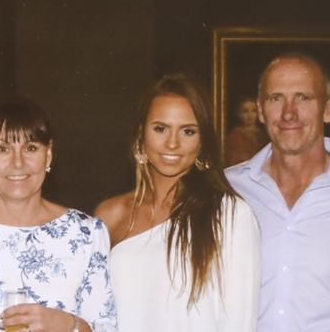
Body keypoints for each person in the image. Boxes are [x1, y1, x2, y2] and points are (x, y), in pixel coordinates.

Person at [226, 52, 330, 331]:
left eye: (303, 97)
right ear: (261, 110)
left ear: (329, 109)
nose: (289, 113)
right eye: (276, 98)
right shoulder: (226, 190)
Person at [0, 97, 117, 332]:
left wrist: (70, 326)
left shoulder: (87, 233)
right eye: (2, 149)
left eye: (30, 148)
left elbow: (106, 327)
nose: (18, 163)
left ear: (48, 155)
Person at [95, 73, 260, 331]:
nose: (172, 143)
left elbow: (239, 322)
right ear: (141, 135)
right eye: (160, 128)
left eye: (188, 131)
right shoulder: (110, 214)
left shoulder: (229, 214)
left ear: (202, 141)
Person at [225, 97, 268, 166]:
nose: (250, 115)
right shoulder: (234, 135)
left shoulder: (264, 135)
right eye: (245, 111)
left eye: (254, 111)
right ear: (238, 114)